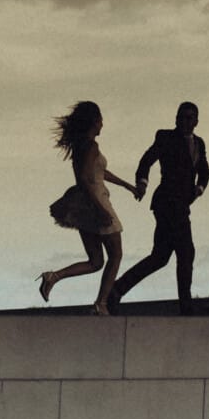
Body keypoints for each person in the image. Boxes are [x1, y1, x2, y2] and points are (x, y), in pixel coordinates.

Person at [37, 100, 142, 315]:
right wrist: (100, 210)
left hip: (82, 204)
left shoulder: (82, 146)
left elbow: (100, 172)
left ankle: (53, 277)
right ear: (94, 122)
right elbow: (86, 179)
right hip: (95, 201)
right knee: (116, 254)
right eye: (101, 120)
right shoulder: (91, 146)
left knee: (96, 261)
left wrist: (128, 186)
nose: (103, 124)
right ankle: (101, 303)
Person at [109, 101, 209, 315]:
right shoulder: (165, 137)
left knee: (160, 257)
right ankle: (186, 307)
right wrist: (142, 184)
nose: (184, 121)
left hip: (181, 204)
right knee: (186, 252)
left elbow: (205, 171)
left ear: (196, 121)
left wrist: (198, 190)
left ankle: (117, 289)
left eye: (189, 118)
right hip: (167, 204)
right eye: (181, 117)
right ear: (176, 119)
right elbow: (147, 160)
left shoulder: (199, 144)